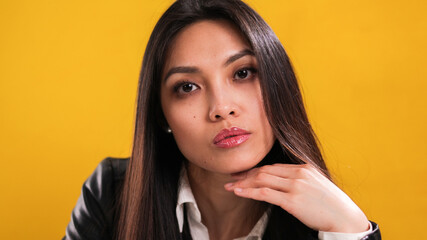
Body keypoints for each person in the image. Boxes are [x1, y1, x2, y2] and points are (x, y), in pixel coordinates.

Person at [63, 0, 382, 239]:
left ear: (278, 82)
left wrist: (350, 230)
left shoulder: (329, 222)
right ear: (162, 115)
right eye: (187, 87)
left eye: (243, 73)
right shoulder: (111, 193)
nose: (222, 108)